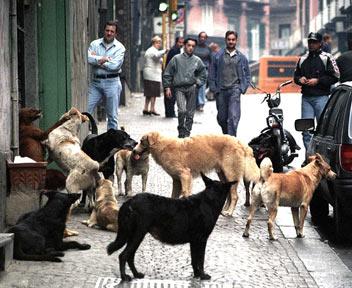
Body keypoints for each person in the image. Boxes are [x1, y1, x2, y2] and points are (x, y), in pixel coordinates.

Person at [294, 32, 340, 150]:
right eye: (310, 42)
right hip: (306, 99)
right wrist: (300, 79)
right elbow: (295, 76)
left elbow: (336, 76)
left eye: (314, 42)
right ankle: (310, 157)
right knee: (305, 130)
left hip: (322, 98)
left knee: (323, 130)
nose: (311, 44)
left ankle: (322, 155)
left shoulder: (328, 57)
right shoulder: (302, 59)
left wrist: (318, 81)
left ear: (320, 43)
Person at [209, 30, 250, 137]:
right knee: (222, 118)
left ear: (236, 41)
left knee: (233, 117)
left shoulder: (241, 57)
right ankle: (227, 135)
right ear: (225, 40)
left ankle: (232, 141)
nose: (231, 41)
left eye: (233, 40)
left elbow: (247, 75)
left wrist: (243, 88)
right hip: (221, 91)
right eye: (229, 39)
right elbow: (212, 73)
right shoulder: (217, 56)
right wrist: (214, 88)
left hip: (235, 90)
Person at [163, 38, 207, 138]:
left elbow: (203, 74)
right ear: (184, 46)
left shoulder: (197, 60)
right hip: (179, 88)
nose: (190, 48)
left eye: (193, 46)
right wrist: (167, 87)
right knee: (182, 110)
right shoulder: (176, 59)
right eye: (188, 45)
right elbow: (168, 73)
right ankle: (181, 129)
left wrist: (198, 83)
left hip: (192, 88)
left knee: (190, 113)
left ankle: (187, 132)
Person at [87, 20, 125, 130]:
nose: (109, 33)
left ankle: (111, 144)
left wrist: (97, 60)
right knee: (85, 112)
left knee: (112, 116)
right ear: (104, 31)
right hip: (96, 83)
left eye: (112, 31)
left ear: (115, 34)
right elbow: (89, 59)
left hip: (112, 83)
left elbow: (115, 66)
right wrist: (103, 59)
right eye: (107, 30)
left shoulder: (120, 47)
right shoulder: (94, 44)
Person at [142, 36, 168, 116]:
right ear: (154, 43)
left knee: (149, 93)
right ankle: (152, 109)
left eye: (160, 43)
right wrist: (164, 51)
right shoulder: (152, 50)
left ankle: (146, 108)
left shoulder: (152, 50)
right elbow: (156, 56)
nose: (159, 44)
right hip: (152, 74)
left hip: (151, 73)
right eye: (157, 43)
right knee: (153, 92)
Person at [164, 36, 184, 118]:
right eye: (180, 42)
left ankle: (170, 112)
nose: (181, 44)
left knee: (171, 95)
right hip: (171, 76)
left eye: (182, 42)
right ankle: (170, 113)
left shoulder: (177, 50)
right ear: (176, 42)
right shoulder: (174, 50)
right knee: (170, 95)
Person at [193, 32, 212, 112]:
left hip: (204, 70)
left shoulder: (208, 48)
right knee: (193, 87)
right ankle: (193, 104)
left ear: (206, 38)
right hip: (194, 70)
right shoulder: (194, 47)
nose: (202, 38)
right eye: (201, 37)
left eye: (204, 37)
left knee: (202, 88)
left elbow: (211, 60)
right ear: (199, 37)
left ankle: (201, 104)